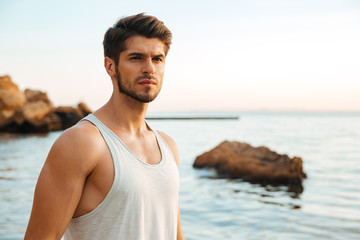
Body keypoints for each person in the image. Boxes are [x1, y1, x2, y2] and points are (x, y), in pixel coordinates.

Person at [24, 13, 185, 240]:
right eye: (136, 58)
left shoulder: (168, 147)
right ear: (110, 66)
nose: (149, 68)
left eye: (157, 59)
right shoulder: (82, 143)